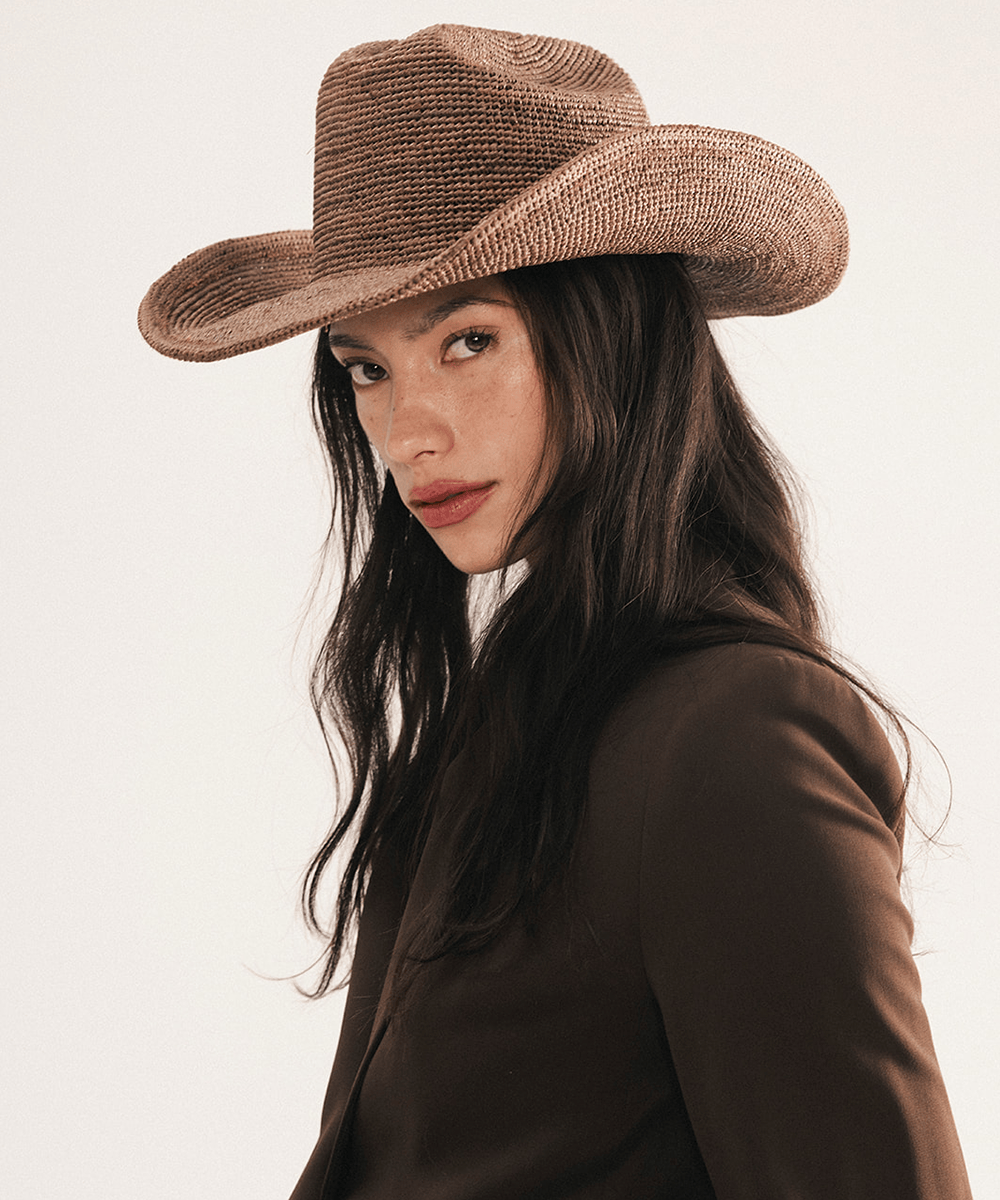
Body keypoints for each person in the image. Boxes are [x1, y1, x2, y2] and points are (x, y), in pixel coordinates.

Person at [139, 24, 972, 1200]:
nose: (407, 432)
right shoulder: (500, 721)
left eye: (467, 341)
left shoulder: (732, 738)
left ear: (611, 335)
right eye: (367, 367)